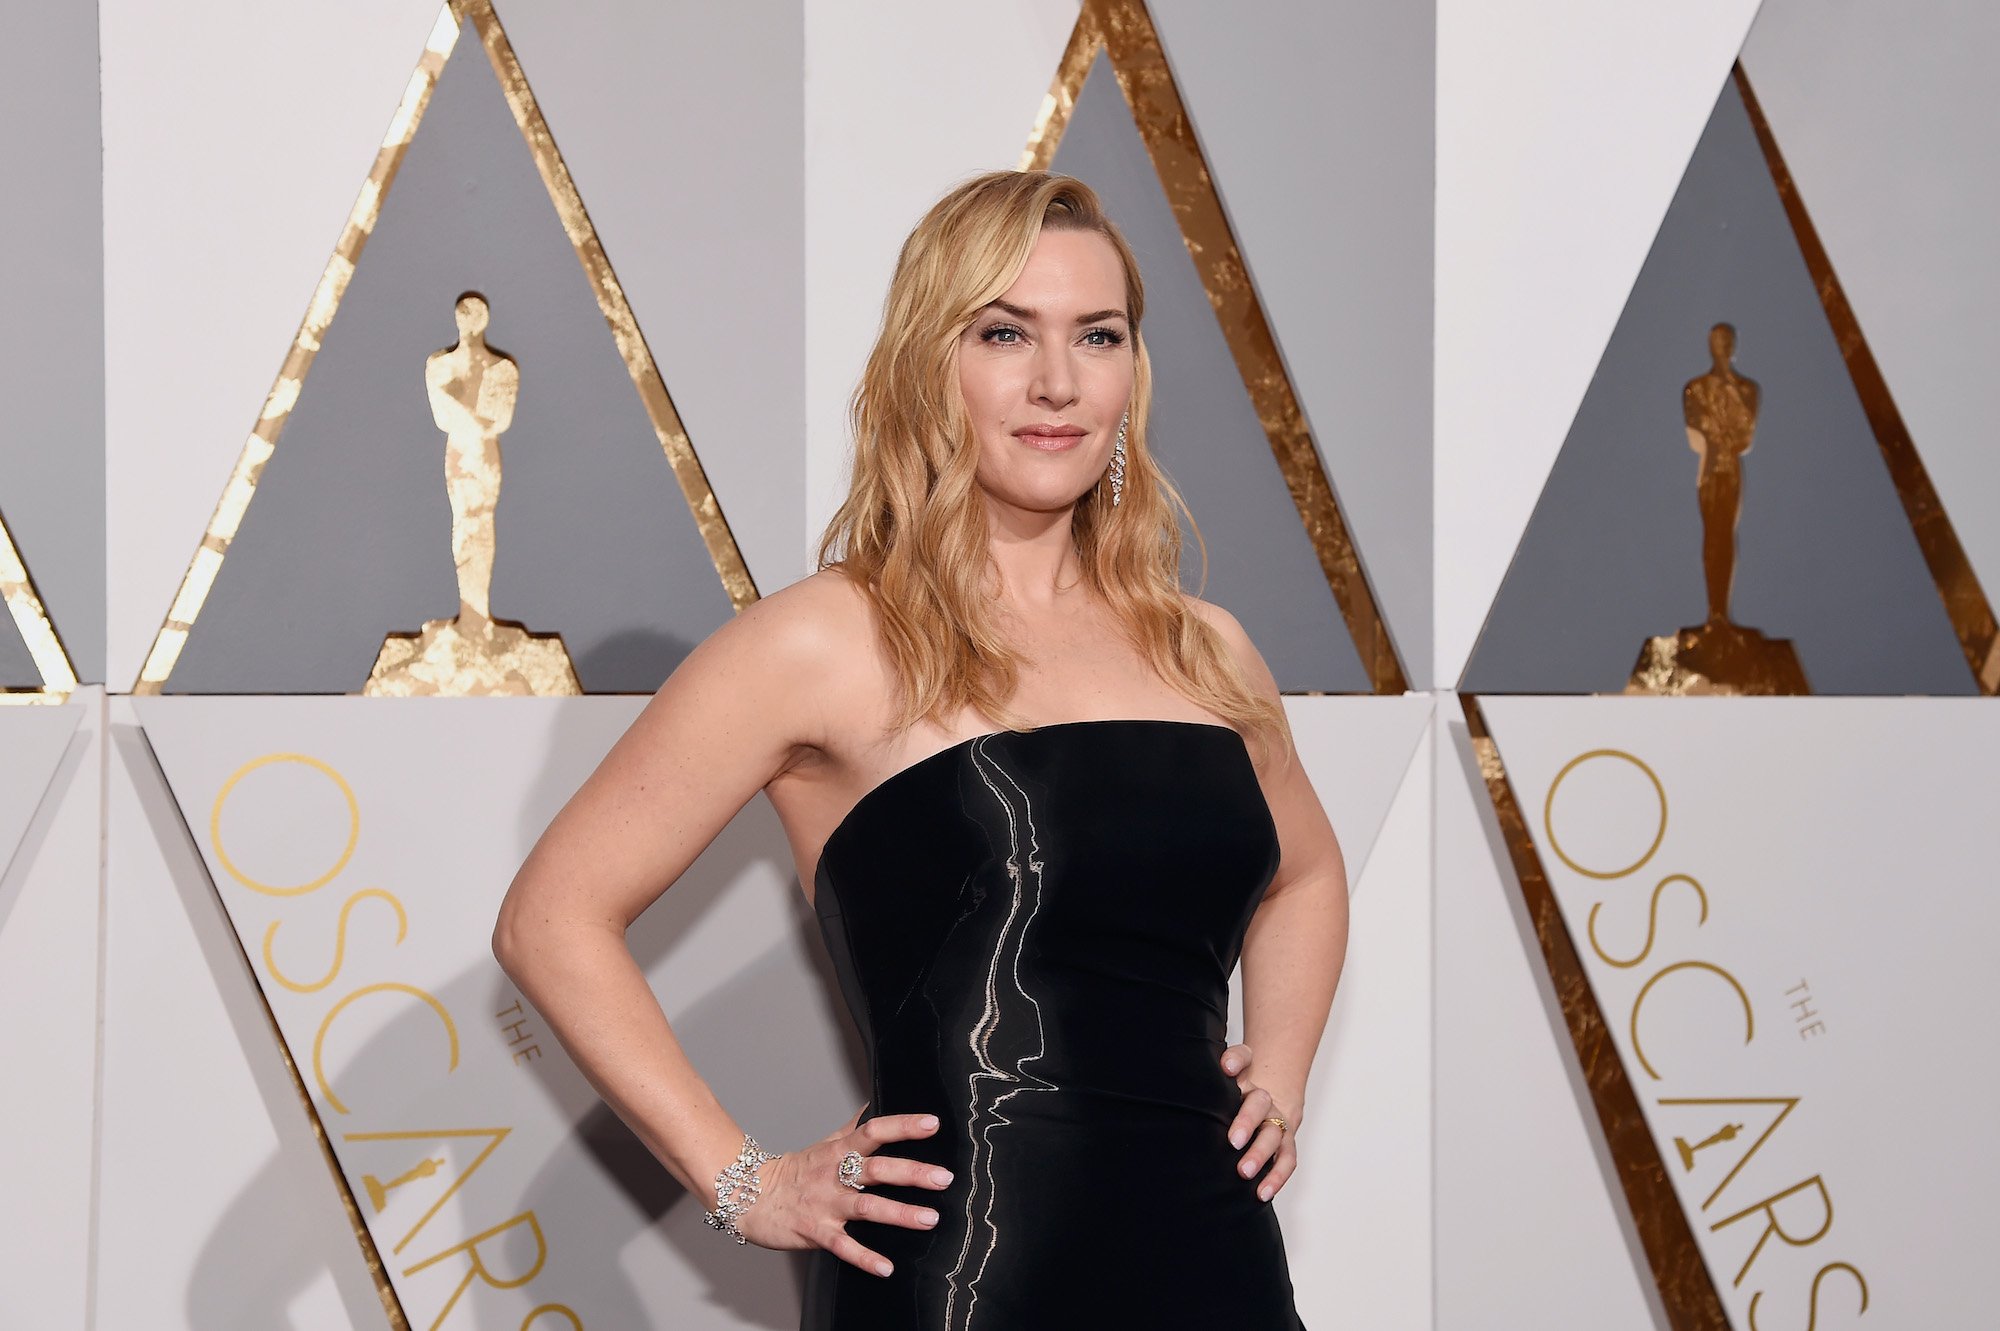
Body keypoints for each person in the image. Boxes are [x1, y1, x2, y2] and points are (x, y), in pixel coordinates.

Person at [492, 169, 1349, 1328]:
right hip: (965, 1284)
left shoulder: (1208, 649)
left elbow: (1302, 871)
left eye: (1096, 335)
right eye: (1004, 333)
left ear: (1131, 372)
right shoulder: (821, 640)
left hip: (1220, 1271)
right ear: (926, 363)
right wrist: (742, 1180)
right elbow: (551, 916)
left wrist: (1280, 1070)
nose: (1056, 381)